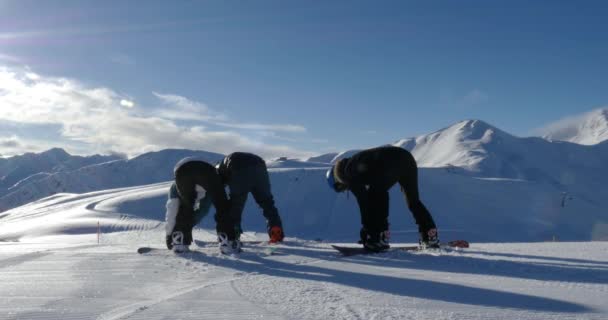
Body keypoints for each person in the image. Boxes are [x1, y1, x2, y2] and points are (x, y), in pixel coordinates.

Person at [326, 146, 439, 252]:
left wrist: (367, 229)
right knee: (413, 201)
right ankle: (430, 235)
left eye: (341, 188)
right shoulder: (355, 163)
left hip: (390, 162)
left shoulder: (348, 172)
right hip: (407, 158)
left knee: (377, 193)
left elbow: (363, 202)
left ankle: (378, 238)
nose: (346, 189)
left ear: (338, 181)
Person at [165, 157, 239, 254]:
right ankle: (227, 242)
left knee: (186, 208)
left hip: (181, 170)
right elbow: (203, 210)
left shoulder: (177, 186)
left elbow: (172, 212)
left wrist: (171, 233)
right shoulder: (175, 190)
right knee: (222, 206)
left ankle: (179, 242)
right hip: (205, 170)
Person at [216, 152, 285, 243]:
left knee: (236, 205)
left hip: (239, 168)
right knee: (267, 203)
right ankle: (275, 230)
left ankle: (233, 234)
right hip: (260, 168)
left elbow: (220, 184)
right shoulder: (231, 158)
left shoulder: (221, 168)